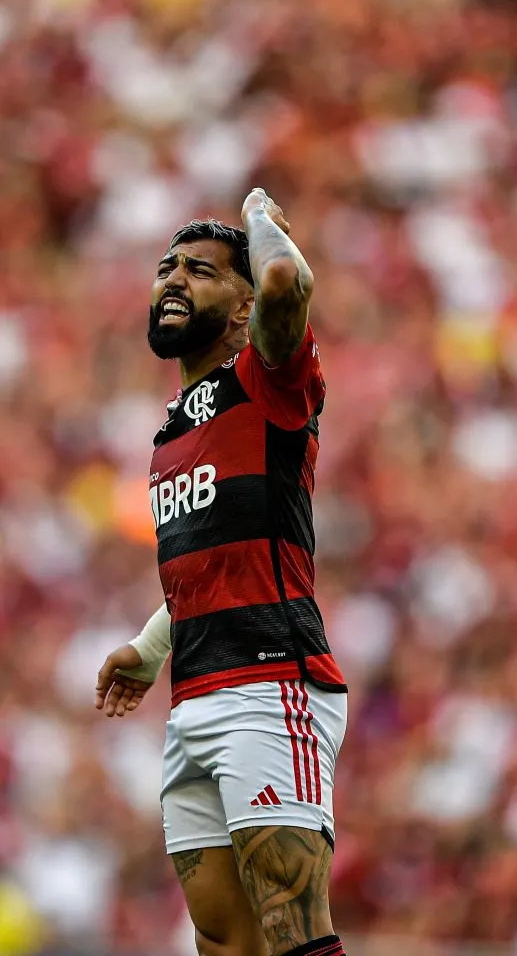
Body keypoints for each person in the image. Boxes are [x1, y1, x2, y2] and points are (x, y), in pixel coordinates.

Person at [94, 188, 348, 956]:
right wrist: (149, 645)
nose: (172, 279)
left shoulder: (267, 379)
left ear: (241, 310)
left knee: (293, 930)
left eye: (200, 271)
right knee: (224, 941)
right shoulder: (173, 427)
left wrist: (262, 220)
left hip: (269, 683)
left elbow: (284, 285)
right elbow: (213, 564)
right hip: (194, 695)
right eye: (166, 267)